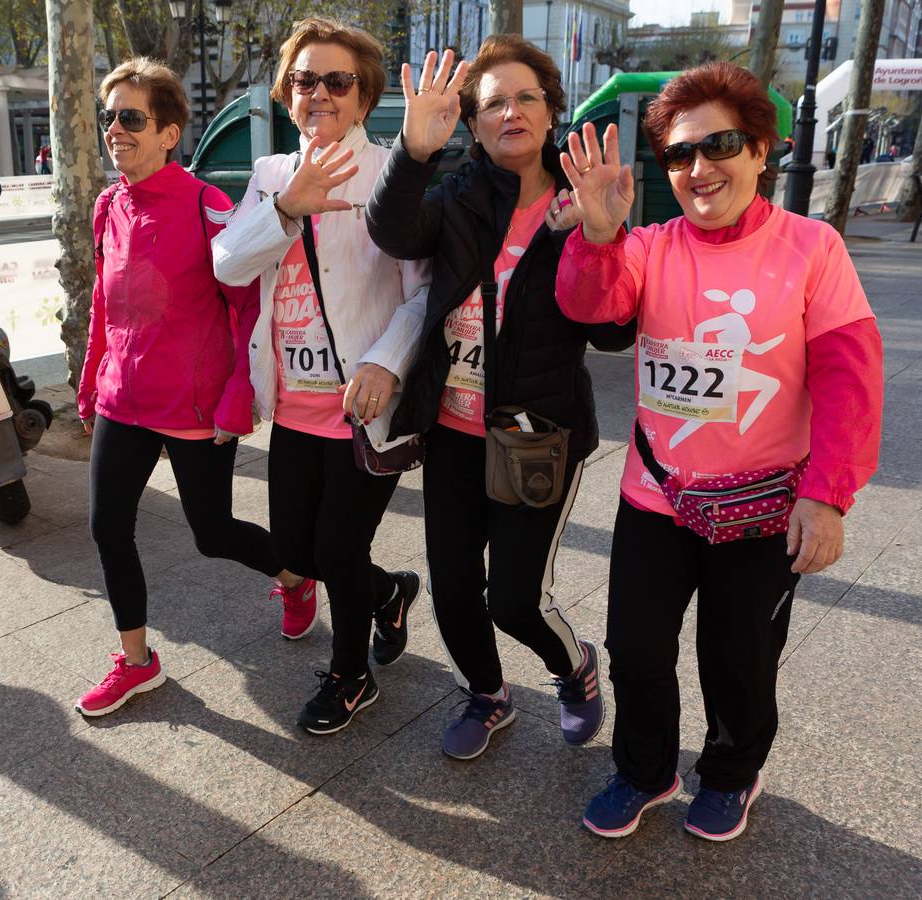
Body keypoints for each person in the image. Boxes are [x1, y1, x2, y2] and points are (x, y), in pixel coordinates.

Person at [555, 62, 882, 841]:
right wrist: (599, 235)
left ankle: (733, 773)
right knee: (636, 651)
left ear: (763, 149)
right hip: (656, 498)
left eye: (721, 145)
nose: (700, 169)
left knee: (738, 659)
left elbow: (849, 376)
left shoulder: (813, 248)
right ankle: (644, 770)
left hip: (765, 506)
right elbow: (592, 309)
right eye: (678, 154)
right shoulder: (648, 246)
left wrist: (828, 493)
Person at [366, 38, 633, 761]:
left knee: (513, 598)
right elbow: (392, 231)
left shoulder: (586, 202)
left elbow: (615, 333)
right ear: (472, 124)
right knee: (453, 590)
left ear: (551, 110)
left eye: (525, 97)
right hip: (452, 428)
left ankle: (572, 668)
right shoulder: (457, 194)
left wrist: (605, 240)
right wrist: (411, 153)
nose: (509, 112)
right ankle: (486, 696)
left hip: (535, 430)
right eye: (491, 104)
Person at [74, 58, 313, 717]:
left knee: (211, 533)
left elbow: (244, 307)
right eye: (108, 118)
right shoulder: (107, 206)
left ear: (169, 132)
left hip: (194, 403)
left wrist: (241, 393)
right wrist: (93, 379)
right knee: (106, 526)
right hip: (125, 397)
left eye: (131, 118)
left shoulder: (208, 206)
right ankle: (136, 661)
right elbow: (104, 302)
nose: (114, 130)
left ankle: (296, 580)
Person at [212, 18, 430, 735]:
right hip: (294, 404)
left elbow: (425, 288)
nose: (321, 93)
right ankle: (390, 592)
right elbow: (226, 264)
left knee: (337, 549)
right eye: (306, 79)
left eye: (339, 81)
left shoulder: (392, 171)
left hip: (363, 406)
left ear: (363, 98)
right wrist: (282, 207)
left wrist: (386, 360)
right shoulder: (273, 173)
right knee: (299, 552)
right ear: (287, 92)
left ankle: (349, 675)